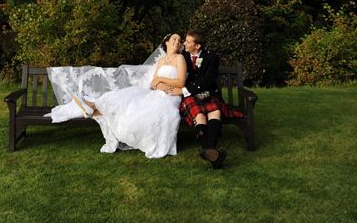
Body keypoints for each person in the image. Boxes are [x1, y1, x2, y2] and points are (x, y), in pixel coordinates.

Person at [58, 33, 186, 159]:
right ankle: (93, 106)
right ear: (166, 42)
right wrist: (160, 84)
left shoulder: (179, 58)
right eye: (174, 39)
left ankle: (92, 107)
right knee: (125, 98)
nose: (177, 42)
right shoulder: (162, 61)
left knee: (136, 116)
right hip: (158, 92)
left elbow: (180, 82)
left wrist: (161, 80)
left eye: (180, 40)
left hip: (170, 98)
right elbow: (153, 82)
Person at [166, 29, 243, 169]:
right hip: (191, 97)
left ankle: (209, 150)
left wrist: (184, 90)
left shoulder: (211, 57)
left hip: (207, 93)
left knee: (215, 112)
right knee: (199, 115)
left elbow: (207, 80)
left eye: (188, 41)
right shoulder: (182, 56)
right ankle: (213, 152)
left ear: (197, 46)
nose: (184, 43)